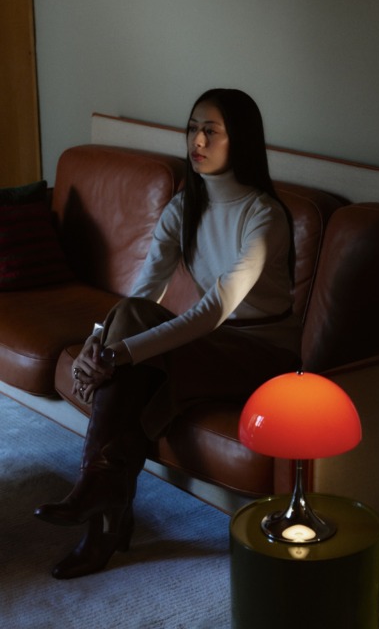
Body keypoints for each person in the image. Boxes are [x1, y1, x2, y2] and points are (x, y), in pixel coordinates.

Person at [34, 88, 301, 579]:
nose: (196, 141)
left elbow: (213, 309)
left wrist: (118, 354)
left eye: (211, 131)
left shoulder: (264, 216)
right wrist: (99, 341)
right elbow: (143, 293)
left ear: (240, 140)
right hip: (209, 346)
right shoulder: (185, 206)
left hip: (259, 353)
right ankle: (104, 503)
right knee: (134, 336)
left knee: (134, 365)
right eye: (193, 128)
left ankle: (103, 506)